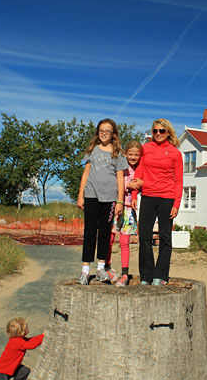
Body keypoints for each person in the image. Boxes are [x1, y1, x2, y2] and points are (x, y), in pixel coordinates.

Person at [131, 118, 183, 286]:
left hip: (167, 198)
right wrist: (133, 196)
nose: (158, 134)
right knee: (144, 236)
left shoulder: (175, 153)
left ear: (168, 132)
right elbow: (139, 173)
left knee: (165, 237)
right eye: (155, 131)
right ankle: (146, 276)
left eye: (161, 131)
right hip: (147, 196)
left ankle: (160, 276)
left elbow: (179, 181)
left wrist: (176, 204)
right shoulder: (145, 149)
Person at [76, 119, 128, 285]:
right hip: (91, 196)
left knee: (105, 233)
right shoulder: (92, 150)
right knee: (90, 233)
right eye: (101, 130)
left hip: (110, 199)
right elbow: (86, 174)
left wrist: (120, 201)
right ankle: (85, 271)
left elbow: (121, 178)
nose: (104, 133)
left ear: (114, 134)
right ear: (98, 132)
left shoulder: (118, 152)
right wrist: (80, 195)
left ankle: (100, 269)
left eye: (108, 131)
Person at [106, 140, 143, 287]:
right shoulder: (121, 166)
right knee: (109, 237)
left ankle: (125, 273)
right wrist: (129, 184)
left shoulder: (140, 169)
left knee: (124, 242)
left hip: (129, 208)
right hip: (116, 205)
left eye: (136, 155)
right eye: (130, 154)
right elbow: (114, 183)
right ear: (126, 154)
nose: (133, 157)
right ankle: (107, 268)